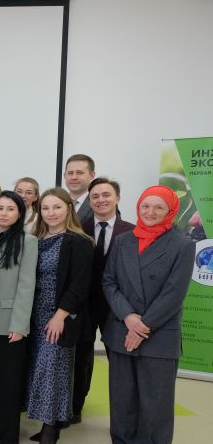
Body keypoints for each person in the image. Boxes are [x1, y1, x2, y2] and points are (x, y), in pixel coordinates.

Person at [102, 186, 194, 444]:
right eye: (145, 206)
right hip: (122, 327)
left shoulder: (182, 244)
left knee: (156, 399)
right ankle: (124, 442)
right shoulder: (123, 241)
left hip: (159, 332)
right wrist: (129, 317)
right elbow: (109, 282)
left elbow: (174, 293)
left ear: (170, 211)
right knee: (123, 393)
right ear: (138, 208)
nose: (150, 212)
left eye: (158, 207)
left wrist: (143, 325)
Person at [25, 187, 93, 444]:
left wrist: (60, 316)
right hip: (34, 315)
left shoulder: (79, 241)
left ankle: (50, 431)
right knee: (37, 371)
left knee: (53, 372)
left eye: (57, 207)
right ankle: (46, 422)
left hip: (58, 317)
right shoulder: (35, 239)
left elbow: (80, 284)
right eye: (45, 208)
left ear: (69, 209)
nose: (51, 213)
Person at [73, 178, 134, 423]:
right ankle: (75, 408)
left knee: (119, 363)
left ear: (117, 198)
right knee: (80, 359)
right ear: (89, 201)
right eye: (95, 196)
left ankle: (124, 418)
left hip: (117, 308)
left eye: (106, 195)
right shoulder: (79, 228)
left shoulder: (131, 232)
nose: (100, 200)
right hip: (84, 305)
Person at [0, 191, 37, 444]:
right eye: (0, 208)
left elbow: (27, 286)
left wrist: (19, 325)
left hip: (9, 322)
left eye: (10, 209)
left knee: (7, 380)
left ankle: (4, 434)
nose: (4, 213)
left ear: (19, 213)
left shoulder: (27, 241)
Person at [63, 154, 96, 222]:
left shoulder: (101, 203)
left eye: (79, 173)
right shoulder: (57, 202)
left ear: (92, 175)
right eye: (70, 173)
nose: (74, 177)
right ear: (64, 175)